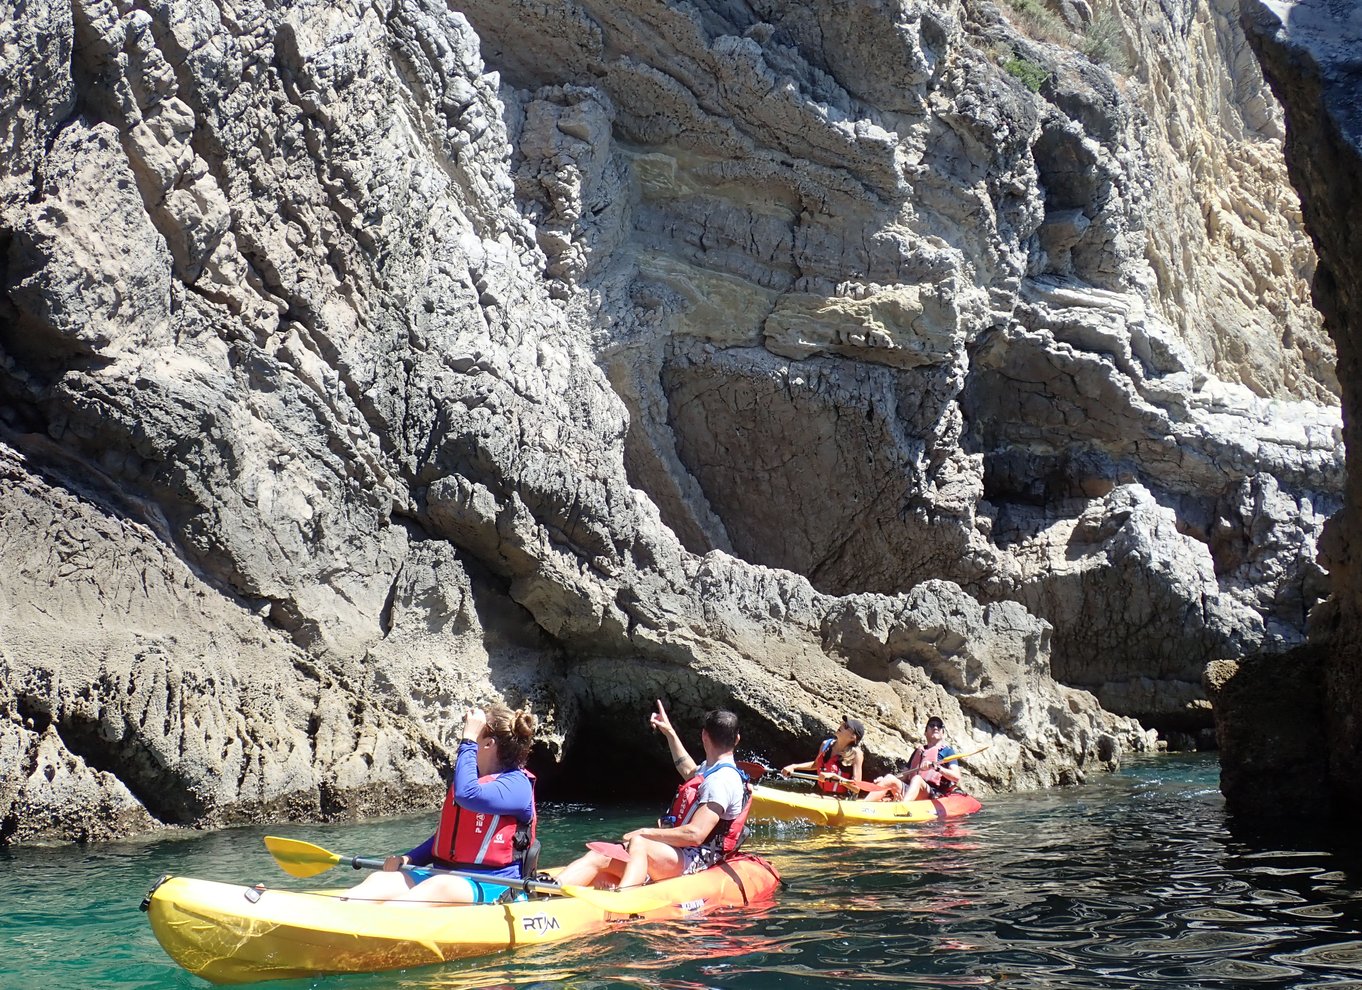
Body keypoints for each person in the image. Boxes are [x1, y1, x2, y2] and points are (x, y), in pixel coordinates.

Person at [346, 703, 538, 904]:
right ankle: (338, 912)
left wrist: (468, 740)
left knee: (441, 886)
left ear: (488, 744)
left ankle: (380, 921)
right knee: (382, 880)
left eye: (475, 737)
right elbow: (446, 839)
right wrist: (409, 859)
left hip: (494, 883)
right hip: (444, 875)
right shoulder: (473, 779)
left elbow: (467, 795)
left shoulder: (516, 785)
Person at [555, 701, 751, 890]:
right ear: (737, 739)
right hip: (679, 853)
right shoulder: (711, 771)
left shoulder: (722, 781)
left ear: (704, 736)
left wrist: (644, 832)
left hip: (699, 857)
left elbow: (696, 834)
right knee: (600, 856)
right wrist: (669, 732)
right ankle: (545, 889)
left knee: (640, 843)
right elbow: (689, 771)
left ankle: (624, 897)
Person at [866, 715, 961, 802]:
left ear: (943, 733)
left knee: (917, 779)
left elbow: (956, 777)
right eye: (932, 725)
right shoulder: (918, 752)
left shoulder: (948, 752)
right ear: (925, 732)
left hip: (933, 792)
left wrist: (937, 768)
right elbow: (904, 775)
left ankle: (903, 806)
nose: (936, 727)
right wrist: (884, 781)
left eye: (939, 726)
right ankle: (864, 804)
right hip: (911, 789)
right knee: (889, 778)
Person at [779, 716, 865, 796]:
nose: (841, 726)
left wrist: (835, 777)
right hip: (818, 790)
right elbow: (816, 765)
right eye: (842, 724)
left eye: (846, 727)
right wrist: (794, 766)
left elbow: (856, 788)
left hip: (837, 797)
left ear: (853, 737)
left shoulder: (856, 754)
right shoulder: (826, 744)